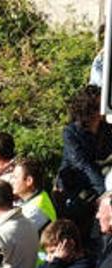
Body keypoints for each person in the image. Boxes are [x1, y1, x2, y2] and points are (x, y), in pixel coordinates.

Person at [55, 85, 112, 241]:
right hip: (73, 187)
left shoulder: (106, 129)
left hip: (95, 183)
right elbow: (82, 164)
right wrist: (103, 191)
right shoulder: (71, 132)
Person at [11, 157, 57, 236]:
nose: (11, 181)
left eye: (15, 177)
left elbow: (12, 236)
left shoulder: (36, 210)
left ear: (29, 181)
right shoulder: (35, 197)